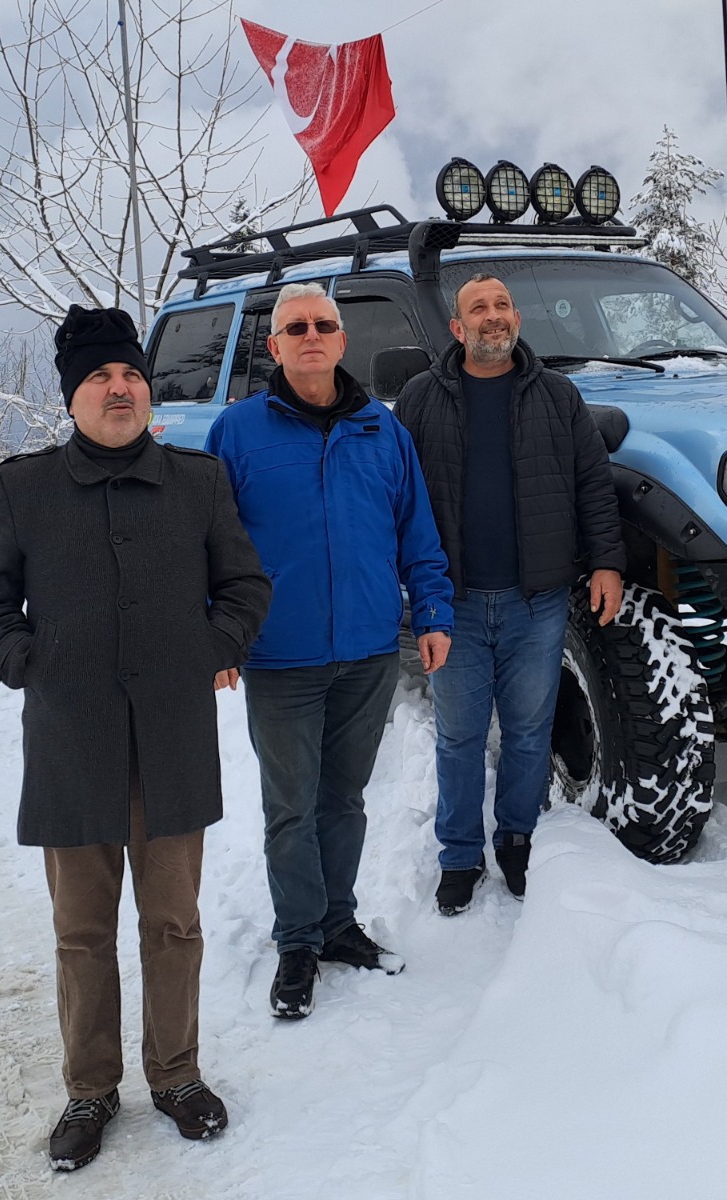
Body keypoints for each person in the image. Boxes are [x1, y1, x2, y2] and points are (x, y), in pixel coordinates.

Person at [0, 306, 272, 1171]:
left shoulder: (196, 482)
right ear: (72, 398)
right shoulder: (24, 489)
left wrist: (213, 647)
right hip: (72, 745)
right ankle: (91, 1089)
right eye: (99, 377)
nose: (119, 388)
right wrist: (30, 662)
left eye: (129, 374)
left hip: (172, 742)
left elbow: (245, 583)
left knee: (173, 924)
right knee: (82, 933)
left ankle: (175, 1073)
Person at [203, 281, 453, 1020]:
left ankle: (339, 924)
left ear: (343, 341)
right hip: (280, 656)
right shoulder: (238, 432)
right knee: (292, 807)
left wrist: (432, 612)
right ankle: (297, 942)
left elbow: (418, 533)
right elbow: (208, 544)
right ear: (274, 346)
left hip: (370, 651)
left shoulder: (384, 430)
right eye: (295, 327)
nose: (311, 335)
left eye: (324, 325)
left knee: (343, 800)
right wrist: (217, 632)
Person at [395, 274, 625, 916]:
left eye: (501, 306)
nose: (492, 317)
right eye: (478, 308)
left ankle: (519, 840)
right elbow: (398, 495)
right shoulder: (421, 398)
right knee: (460, 736)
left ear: (516, 318)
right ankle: (460, 856)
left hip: (538, 599)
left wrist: (607, 562)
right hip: (452, 602)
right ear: (456, 327)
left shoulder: (557, 395)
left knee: (529, 732)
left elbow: (592, 484)